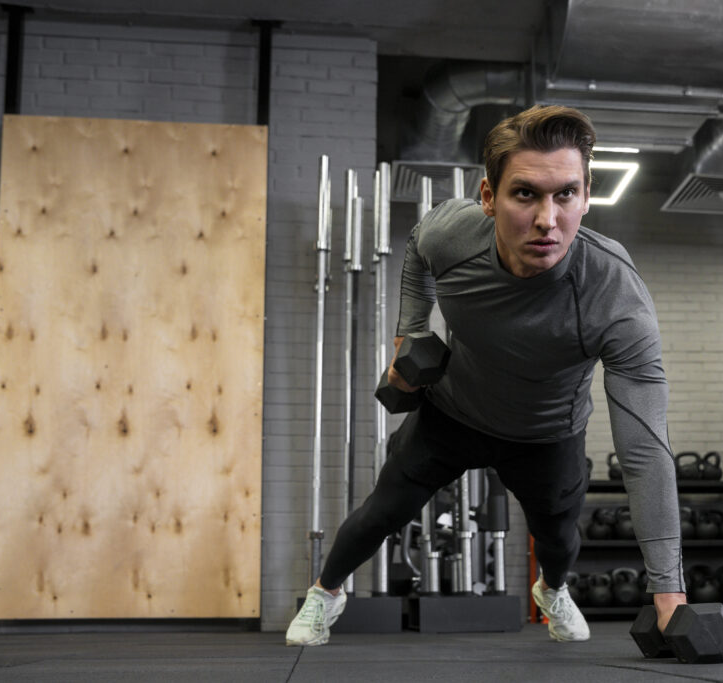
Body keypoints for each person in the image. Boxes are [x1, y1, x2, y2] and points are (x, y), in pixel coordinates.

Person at [286, 105, 685, 647]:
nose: (548, 219)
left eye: (566, 194)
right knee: (381, 511)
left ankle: (553, 590)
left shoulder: (614, 297)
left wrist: (670, 596)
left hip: (548, 433)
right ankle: (324, 595)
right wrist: (410, 331)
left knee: (560, 539)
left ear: (586, 196)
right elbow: (418, 253)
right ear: (488, 197)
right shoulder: (453, 235)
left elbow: (645, 452)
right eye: (526, 194)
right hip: (454, 412)